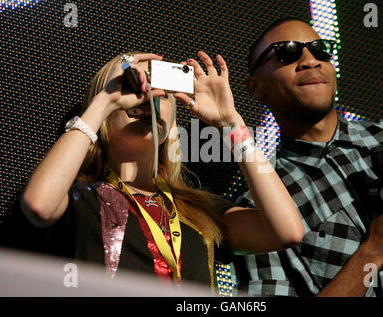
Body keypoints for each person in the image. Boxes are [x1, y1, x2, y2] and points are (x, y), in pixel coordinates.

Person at [20, 51, 304, 292]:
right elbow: (38, 205)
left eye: (161, 92)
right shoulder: (79, 196)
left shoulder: (197, 208)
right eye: (134, 87)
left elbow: (286, 231)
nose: (147, 98)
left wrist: (231, 123)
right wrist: (104, 102)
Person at [233, 17, 383, 296]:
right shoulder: (262, 210)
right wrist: (373, 254)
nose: (310, 61)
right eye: (287, 52)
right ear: (255, 87)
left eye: (320, 49)